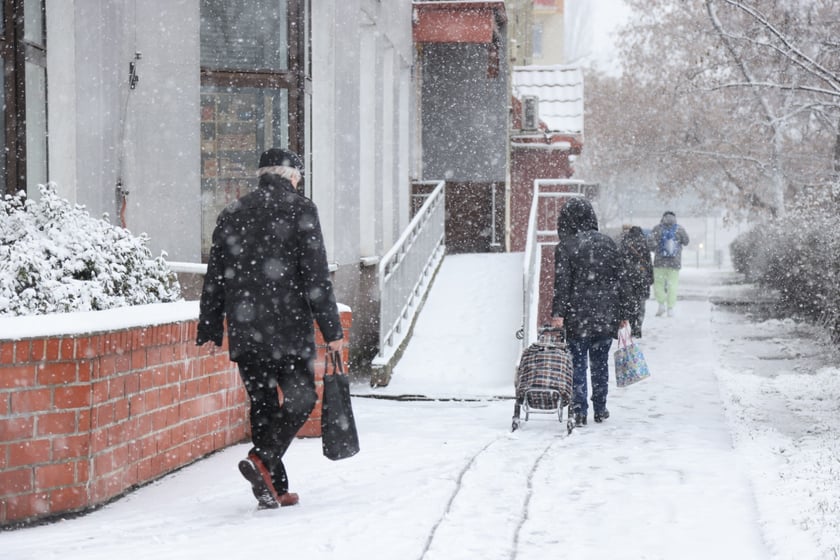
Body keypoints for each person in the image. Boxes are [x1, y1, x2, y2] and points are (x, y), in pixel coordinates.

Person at [196, 147, 345, 509]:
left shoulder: (232, 213)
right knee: (302, 398)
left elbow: (215, 275)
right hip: (289, 328)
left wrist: (211, 323)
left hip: (247, 328)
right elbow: (316, 276)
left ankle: (273, 488)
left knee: (263, 403)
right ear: (292, 176)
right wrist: (333, 330)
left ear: (262, 175)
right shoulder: (302, 209)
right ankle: (263, 459)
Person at [550, 197, 629, 426]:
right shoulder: (609, 243)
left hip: (577, 316)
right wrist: (624, 313)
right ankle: (601, 408)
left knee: (577, 364)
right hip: (606, 315)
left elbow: (562, 285)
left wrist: (558, 314)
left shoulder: (565, 247)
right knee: (600, 363)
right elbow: (621, 280)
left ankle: (579, 409)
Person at [647, 211, 689, 317]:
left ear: (663, 218)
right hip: (674, 263)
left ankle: (661, 304)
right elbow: (686, 241)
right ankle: (670, 308)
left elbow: (650, 244)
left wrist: (657, 247)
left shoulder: (657, 228)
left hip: (659, 263)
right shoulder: (679, 229)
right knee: (672, 285)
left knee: (658, 284)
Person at [619, 225, 654, 338]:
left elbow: (620, 261)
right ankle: (638, 327)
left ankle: (631, 325)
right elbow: (648, 263)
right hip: (642, 278)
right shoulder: (644, 243)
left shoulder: (624, 243)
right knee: (641, 304)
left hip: (628, 278)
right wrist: (650, 277)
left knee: (630, 303)